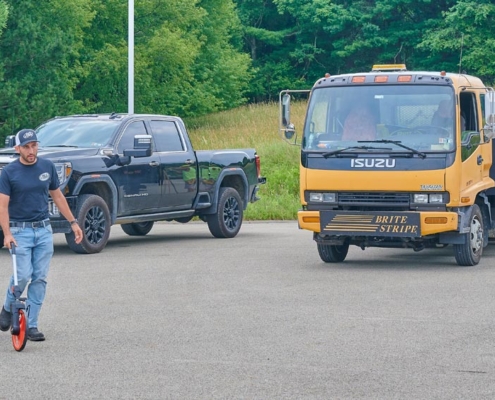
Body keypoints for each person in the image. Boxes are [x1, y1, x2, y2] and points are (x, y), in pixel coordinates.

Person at [0, 129, 83, 341]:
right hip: (20, 231)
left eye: (34, 145)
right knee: (24, 275)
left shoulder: (47, 167)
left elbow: (57, 196)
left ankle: (32, 325)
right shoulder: (9, 172)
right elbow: (3, 206)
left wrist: (73, 222)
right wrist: (7, 234)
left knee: (39, 278)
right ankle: (8, 306)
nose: (31, 150)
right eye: (26, 147)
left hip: (44, 230)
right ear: (17, 148)